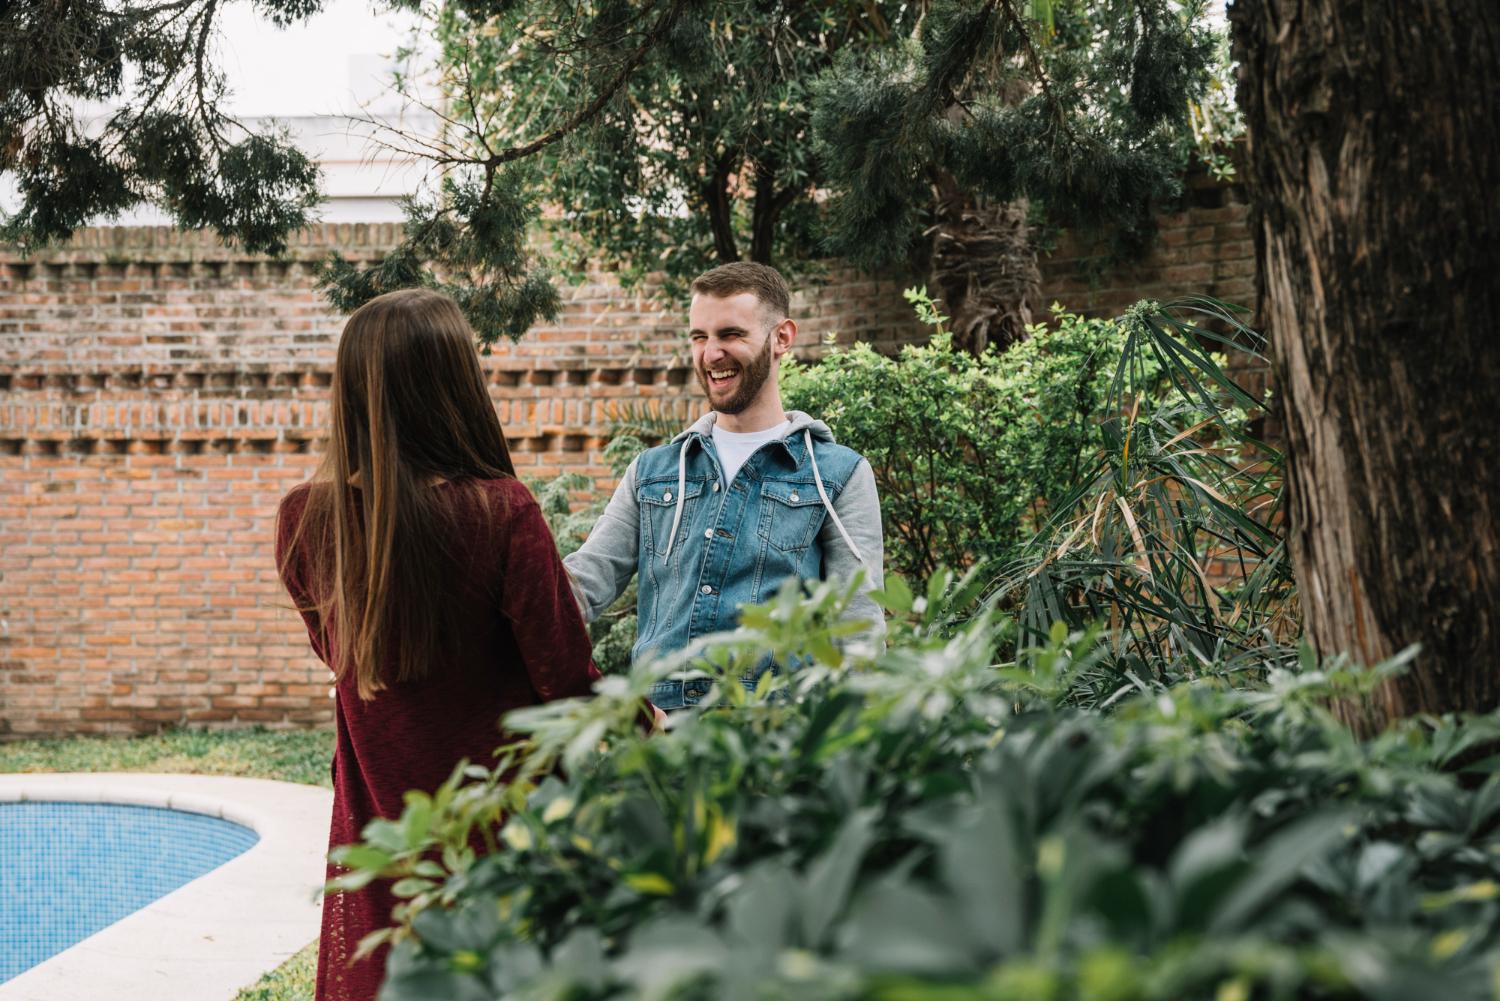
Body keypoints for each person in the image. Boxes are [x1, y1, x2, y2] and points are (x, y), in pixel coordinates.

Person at [275, 289, 643, 1001]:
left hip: (382, 829)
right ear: (455, 386)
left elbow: (348, 657)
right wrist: (641, 715)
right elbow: (566, 682)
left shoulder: (304, 521)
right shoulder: (503, 511)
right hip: (501, 832)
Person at [564, 262, 885, 708]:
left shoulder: (838, 474)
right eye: (700, 337)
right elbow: (580, 587)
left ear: (782, 338)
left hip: (772, 746)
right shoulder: (653, 471)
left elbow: (859, 632)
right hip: (660, 749)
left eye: (730, 334)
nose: (711, 353)